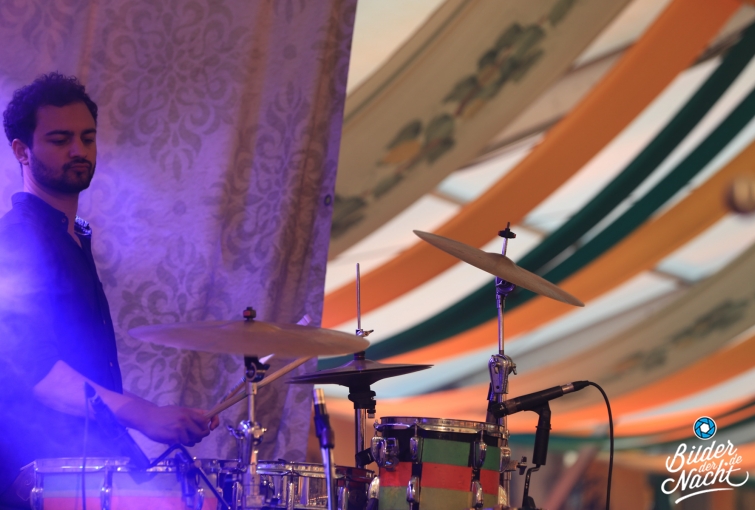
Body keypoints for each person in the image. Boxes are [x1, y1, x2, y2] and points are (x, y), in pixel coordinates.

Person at [0, 73, 218, 507]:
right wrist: (143, 414)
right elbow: (34, 370)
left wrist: (156, 417)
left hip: (78, 469)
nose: (79, 150)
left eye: (88, 137)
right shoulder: (17, 240)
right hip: (34, 478)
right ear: (22, 151)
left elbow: (83, 371)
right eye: (60, 139)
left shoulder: (72, 236)